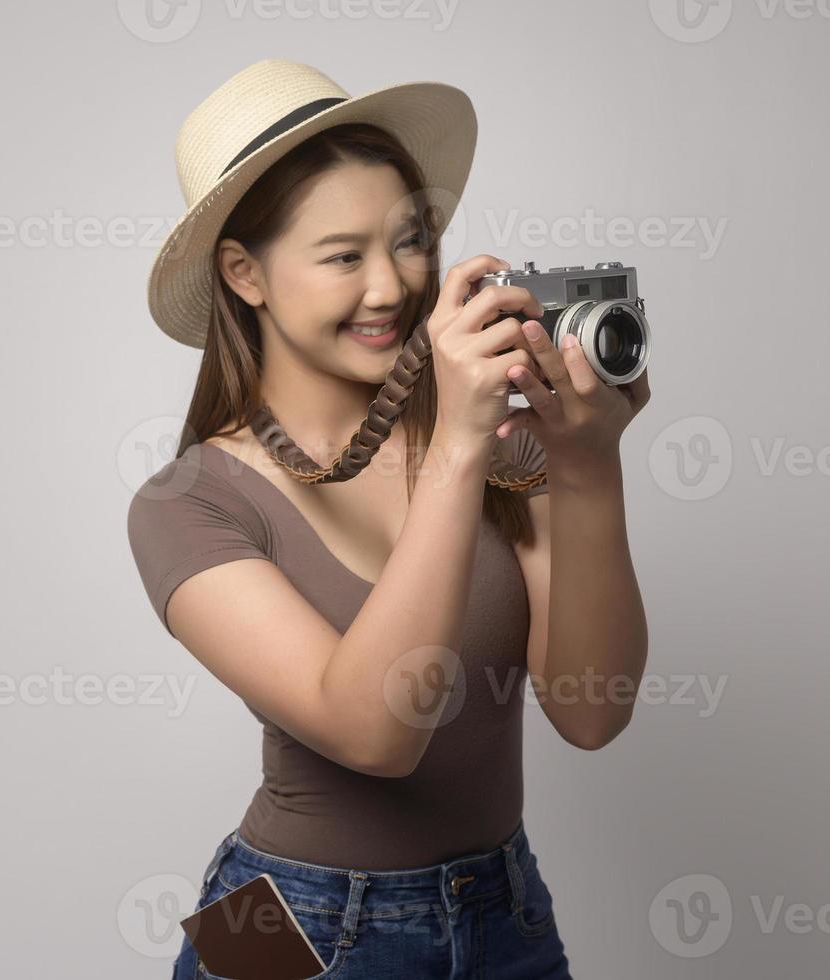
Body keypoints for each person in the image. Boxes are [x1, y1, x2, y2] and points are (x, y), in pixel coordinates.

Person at [127, 59, 650, 979]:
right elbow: (374, 730)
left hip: (502, 911)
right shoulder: (189, 504)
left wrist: (586, 464)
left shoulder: (496, 444)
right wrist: (453, 448)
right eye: (342, 255)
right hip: (285, 925)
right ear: (244, 273)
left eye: (411, 241)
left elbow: (593, 711)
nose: (392, 287)